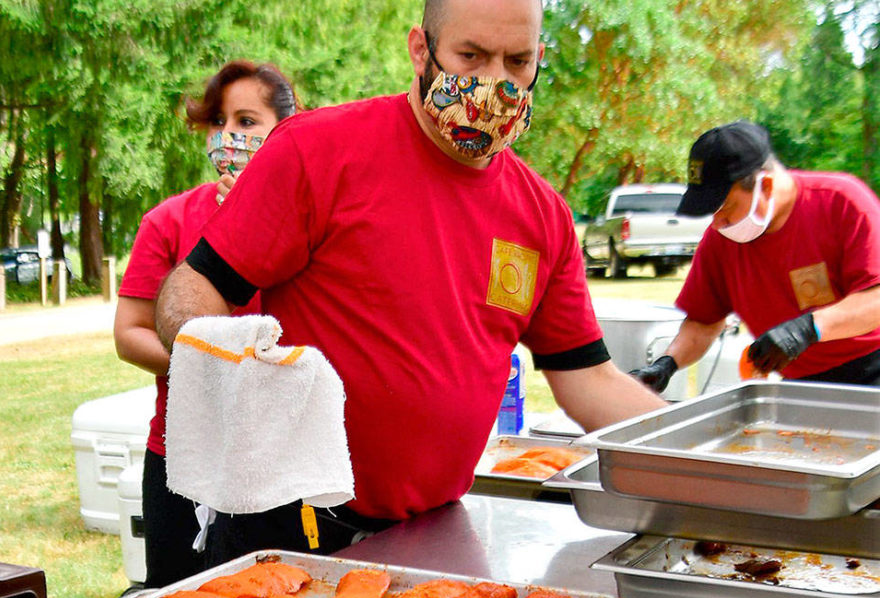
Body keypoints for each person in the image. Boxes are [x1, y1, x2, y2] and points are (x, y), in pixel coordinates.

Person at [153, 0, 666, 567]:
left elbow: (590, 380)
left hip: (430, 534)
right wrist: (225, 357)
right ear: (421, 50)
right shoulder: (317, 150)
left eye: (518, 62)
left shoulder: (542, 216)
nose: (495, 83)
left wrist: (696, 455)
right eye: (471, 56)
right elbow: (195, 283)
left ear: (538, 59)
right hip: (286, 528)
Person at [113, 61, 299, 588]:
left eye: (247, 121)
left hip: (278, 459)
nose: (229, 136)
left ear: (286, 128)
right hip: (180, 456)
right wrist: (208, 364)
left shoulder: (309, 222)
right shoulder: (168, 220)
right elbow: (129, 333)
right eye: (219, 122)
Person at [632, 120, 880, 391]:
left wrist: (807, 329)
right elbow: (703, 322)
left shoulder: (842, 202)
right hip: (800, 383)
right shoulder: (721, 240)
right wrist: (667, 364)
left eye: (726, 207)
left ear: (767, 185)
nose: (717, 222)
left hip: (872, 367)